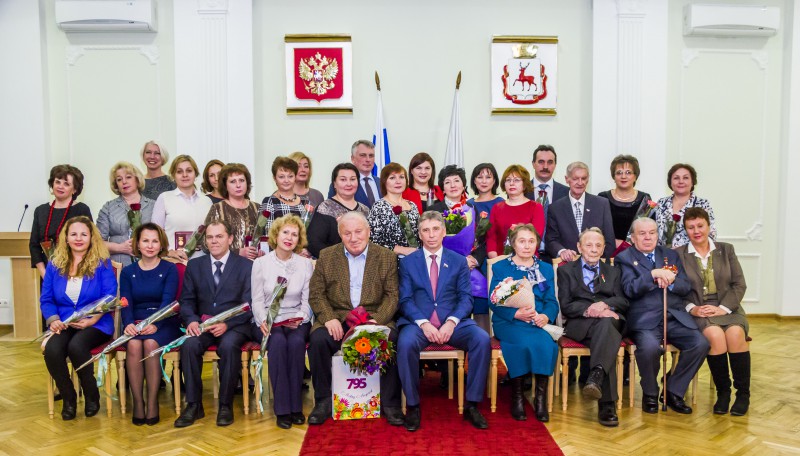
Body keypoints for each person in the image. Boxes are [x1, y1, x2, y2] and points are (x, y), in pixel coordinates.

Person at [307, 212, 403, 426]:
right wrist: (328, 318)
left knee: (393, 339)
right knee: (318, 340)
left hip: (374, 316)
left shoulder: (386, 256)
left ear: (368, 232)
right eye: (347, 233)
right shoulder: (326, 256)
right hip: (338, 316)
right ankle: (323, 401)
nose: (353, 238)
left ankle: (390, 403)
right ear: (340, 235)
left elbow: (392, 295)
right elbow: (316, 293)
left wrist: (377, 321)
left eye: (358, 232)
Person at [398, 211, 491, 431]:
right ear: (419, 234)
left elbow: (466, 298)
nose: (431, 235)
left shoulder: (458, 261)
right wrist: (423, 323)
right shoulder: (408, 262)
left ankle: (472, 405)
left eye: (435, 229)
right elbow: (405, 299)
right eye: (425, 230)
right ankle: (413, 406)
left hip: (454, 323)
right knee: (404, 343)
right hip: (419, 324)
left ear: (444, 232)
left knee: (482, 339)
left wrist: (451, 322)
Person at [616, 217, 710, 414]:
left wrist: (672, 282)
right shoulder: (624, 258)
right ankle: (650, 393)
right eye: (642, 234)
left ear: (658, 234)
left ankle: (674, 390)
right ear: (633, 238)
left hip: (674, 316)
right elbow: (629, 289)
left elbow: (686, 287)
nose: (648, 237)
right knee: (650, 348)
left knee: (700, 343)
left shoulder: (670, 255)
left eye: (652, 232)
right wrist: (652, 275)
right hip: (645, 319)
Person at [174, 220, 255, 428]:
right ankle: (194, 405)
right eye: (210, 237)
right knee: (190, 345)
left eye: (219, 236)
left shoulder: (246, 266)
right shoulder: (195, 265)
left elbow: (250, 304)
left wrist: (228, 325)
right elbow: (187, 300)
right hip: (204, 324)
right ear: (205, 241)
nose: (214, 241)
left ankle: (226, 405)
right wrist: (191, 320)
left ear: (230, 239)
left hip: (235, 326)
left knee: (228, 346)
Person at [40, 216, 117, 420]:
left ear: (91, 237)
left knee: (77, 346)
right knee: (52, 349)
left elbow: (110, 295)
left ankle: (91, 395)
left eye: (84, 234)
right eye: (73, 234)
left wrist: (93, 319)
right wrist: (53, 319)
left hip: (96, 323)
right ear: (66, 238)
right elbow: (46, 299)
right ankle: (69, 397)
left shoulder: (102, 263)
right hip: (65, 322)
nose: (79, 238)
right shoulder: (54, 265)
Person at [677, 208, 750, 416]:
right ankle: (723, 393)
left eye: (700, 226)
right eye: (691, 227)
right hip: (700, 311)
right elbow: (678, 291)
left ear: (709, 226)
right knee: (715, 335)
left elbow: (739, 285)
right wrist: (694, 309)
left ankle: (743, 394)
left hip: (729, 307)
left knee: (735, 333)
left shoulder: (727, 249)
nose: (696, 231)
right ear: (686, 230)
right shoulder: (678, 255)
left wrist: (723, 308)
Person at [557, 228, 629, 427]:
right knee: (607, 337)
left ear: (604, 248)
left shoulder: (613, 271)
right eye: (588, 245)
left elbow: (623, 301)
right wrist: (591, 309)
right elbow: (566, 304)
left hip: (611, 318)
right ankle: (606, 402)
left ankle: (596, 377)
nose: (594, 249)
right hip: (581, 322)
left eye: (598, 245)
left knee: (607, 326)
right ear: (579, 247)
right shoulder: (565, 270)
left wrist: (604, 305)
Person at [489, 224, 558, 423]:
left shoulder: (545, 268)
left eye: (531, 241)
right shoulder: (501, 267)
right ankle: (517, 397)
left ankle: (540, 400)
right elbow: (493, 300)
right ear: (513, 244)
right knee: (521, 344)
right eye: (522, 241)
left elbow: (551, 301)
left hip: (538, 322)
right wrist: (516, 313)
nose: (527, 246)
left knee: (546, 344)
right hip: (509, 321)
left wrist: (546, 316)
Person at [251, 215, 314, 429]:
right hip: (269, 320)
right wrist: (263, 320)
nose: (289, 237)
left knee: (296, 344)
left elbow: (308, 300)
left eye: (294, 234)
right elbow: (257, 300)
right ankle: (282, 409)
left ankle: (296, 406)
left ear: (299, 240)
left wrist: (302, 317)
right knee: (277, 344)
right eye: (285, 232)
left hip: (296, 319)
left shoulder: (306, 264)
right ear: (275, 236)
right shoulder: (260, 263)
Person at [120, 223, 181, 426]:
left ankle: (153, 402)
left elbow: (168, 302)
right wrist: (128, 324)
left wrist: (156, 325)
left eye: (155, 241)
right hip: (135, 322)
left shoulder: (170, 269)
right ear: (137, 243)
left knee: (150, 344)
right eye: (145, 240)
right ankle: (138, 402)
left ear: (161, 244)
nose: (150, 245)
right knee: (134, 344)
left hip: (164, 322)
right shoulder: (128, 272)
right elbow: (126, 302)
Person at [429, 165, 489, 332]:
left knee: (481, 297)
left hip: (469, 265)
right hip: (443, 269)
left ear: (463, 185)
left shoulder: (473, 209)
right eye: (448, 182)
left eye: (457, 181)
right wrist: (456, 261)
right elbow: (429, 242)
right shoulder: (433, 210)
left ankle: (478, 344)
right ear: (442, 188)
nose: (453, 185)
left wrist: (474, 259)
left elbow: (482, 240)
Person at [30, 165, 93, 279]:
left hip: (76, 274)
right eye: (57, 182)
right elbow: (34, 245)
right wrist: (45, 274)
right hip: (47, 273)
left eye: (66, 184)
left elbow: (91, 242)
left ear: (74, 189)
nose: (60, 186)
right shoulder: (40, 211)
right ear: (52, 184)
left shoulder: (81, 209)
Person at [545, 161, 616, 262]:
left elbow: (609, 241)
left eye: (583, 178)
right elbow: (551, 240)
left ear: (588, 180)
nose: (580, 182)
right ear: (567, 179)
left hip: (597, 266)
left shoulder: (602, 204)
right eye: (575, 179)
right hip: (567, 267)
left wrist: (594, 259)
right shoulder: (556, 208)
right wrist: (562, 251)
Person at [152, 155, 213, 263]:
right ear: (173, 175)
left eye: (189, 171)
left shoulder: (207, 201)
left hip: (202, 262)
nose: (185, 175)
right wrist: (169, 251)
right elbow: (155, 233)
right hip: (173, 262)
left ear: (195, 174)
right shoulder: (165, 198)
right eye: (179, 171)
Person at [97, 161, 154, 267]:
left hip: (149, 265)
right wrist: (120, 247)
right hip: (119, 266)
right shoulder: (108, 208)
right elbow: (97, 243)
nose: (124, 182)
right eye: (119, 179)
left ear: (137, 179)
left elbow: (161, 238)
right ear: (116, 185)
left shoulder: (153, 206)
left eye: (128, 177)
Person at [307, 163, 370, 258]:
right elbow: (314, 243)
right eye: (343, 179)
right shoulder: (325, 207)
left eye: (352, 179)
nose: (348, 183)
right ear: (334, 184)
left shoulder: (365, 210)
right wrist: (339, 260)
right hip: (334, 265)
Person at [486, 165, 545, 259]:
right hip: (500, 260)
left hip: (527, 259)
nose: (511, 183)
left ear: (525, 184)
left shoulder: (536, 207)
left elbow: (536, 238)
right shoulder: (497, 208)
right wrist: (496, 260)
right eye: (508, 180)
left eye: (516, 180)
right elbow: (491, 238)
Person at [204, 163, 260, 261]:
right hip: (228, 266)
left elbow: (266, 238)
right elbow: (206, 243)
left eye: (242, 180)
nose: (238, 185)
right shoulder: (217, 208)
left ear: (247, 183)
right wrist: (238, 252)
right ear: (225, 185)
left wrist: (261, 251)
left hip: (255, 265)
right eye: (233, 181)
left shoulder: (257, 207)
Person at [597, 155, 653, 252]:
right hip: (607, 251)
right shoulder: (603, 198)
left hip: (636, 252)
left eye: (628, 172)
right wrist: (613, 242)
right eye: (619, 173)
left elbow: (648, 229)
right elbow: (596, 228)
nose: (623, 176)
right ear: (613, 177)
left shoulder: (644, 199)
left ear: (635, 176)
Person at [654, 163, 716, 248]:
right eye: (676, 178)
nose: (681, 181)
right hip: (663, 257)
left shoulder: (702, 204)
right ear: (670, 182)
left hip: (691, 257)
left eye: (685, 178)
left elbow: (711, 235)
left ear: (692, 182)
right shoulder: (661, 203)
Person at [526, 145, 569, 262]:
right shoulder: (522, 191)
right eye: (541, 162)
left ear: (555, 165)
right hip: (527, 255)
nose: (545, 166)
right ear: (533, 164)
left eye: (550, 162)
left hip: (558, 256)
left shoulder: (566, 193)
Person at [367, 162, 420, 256]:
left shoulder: (412, 205)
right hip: (390, 261)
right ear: (384, 182)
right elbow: (373, 241)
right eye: (392, 178)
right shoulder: (379, 207)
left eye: (401, 177)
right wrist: (403, 250)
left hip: (415, 260)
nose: (398, 181)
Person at [260, 157, 312, 233]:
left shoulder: (304, 203)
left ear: (295, 177)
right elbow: (263, 232)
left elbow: (306, 234)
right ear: (274, 178)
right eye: (281, 177)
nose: (286, 180)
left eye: (290, 176)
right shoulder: (269, 202)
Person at [327, 140, 381, 208]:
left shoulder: (382, 183)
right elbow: (331, 209)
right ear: (352, 158)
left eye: (371, 156)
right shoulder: (339, 185)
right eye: (363, 155)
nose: (368, 160)